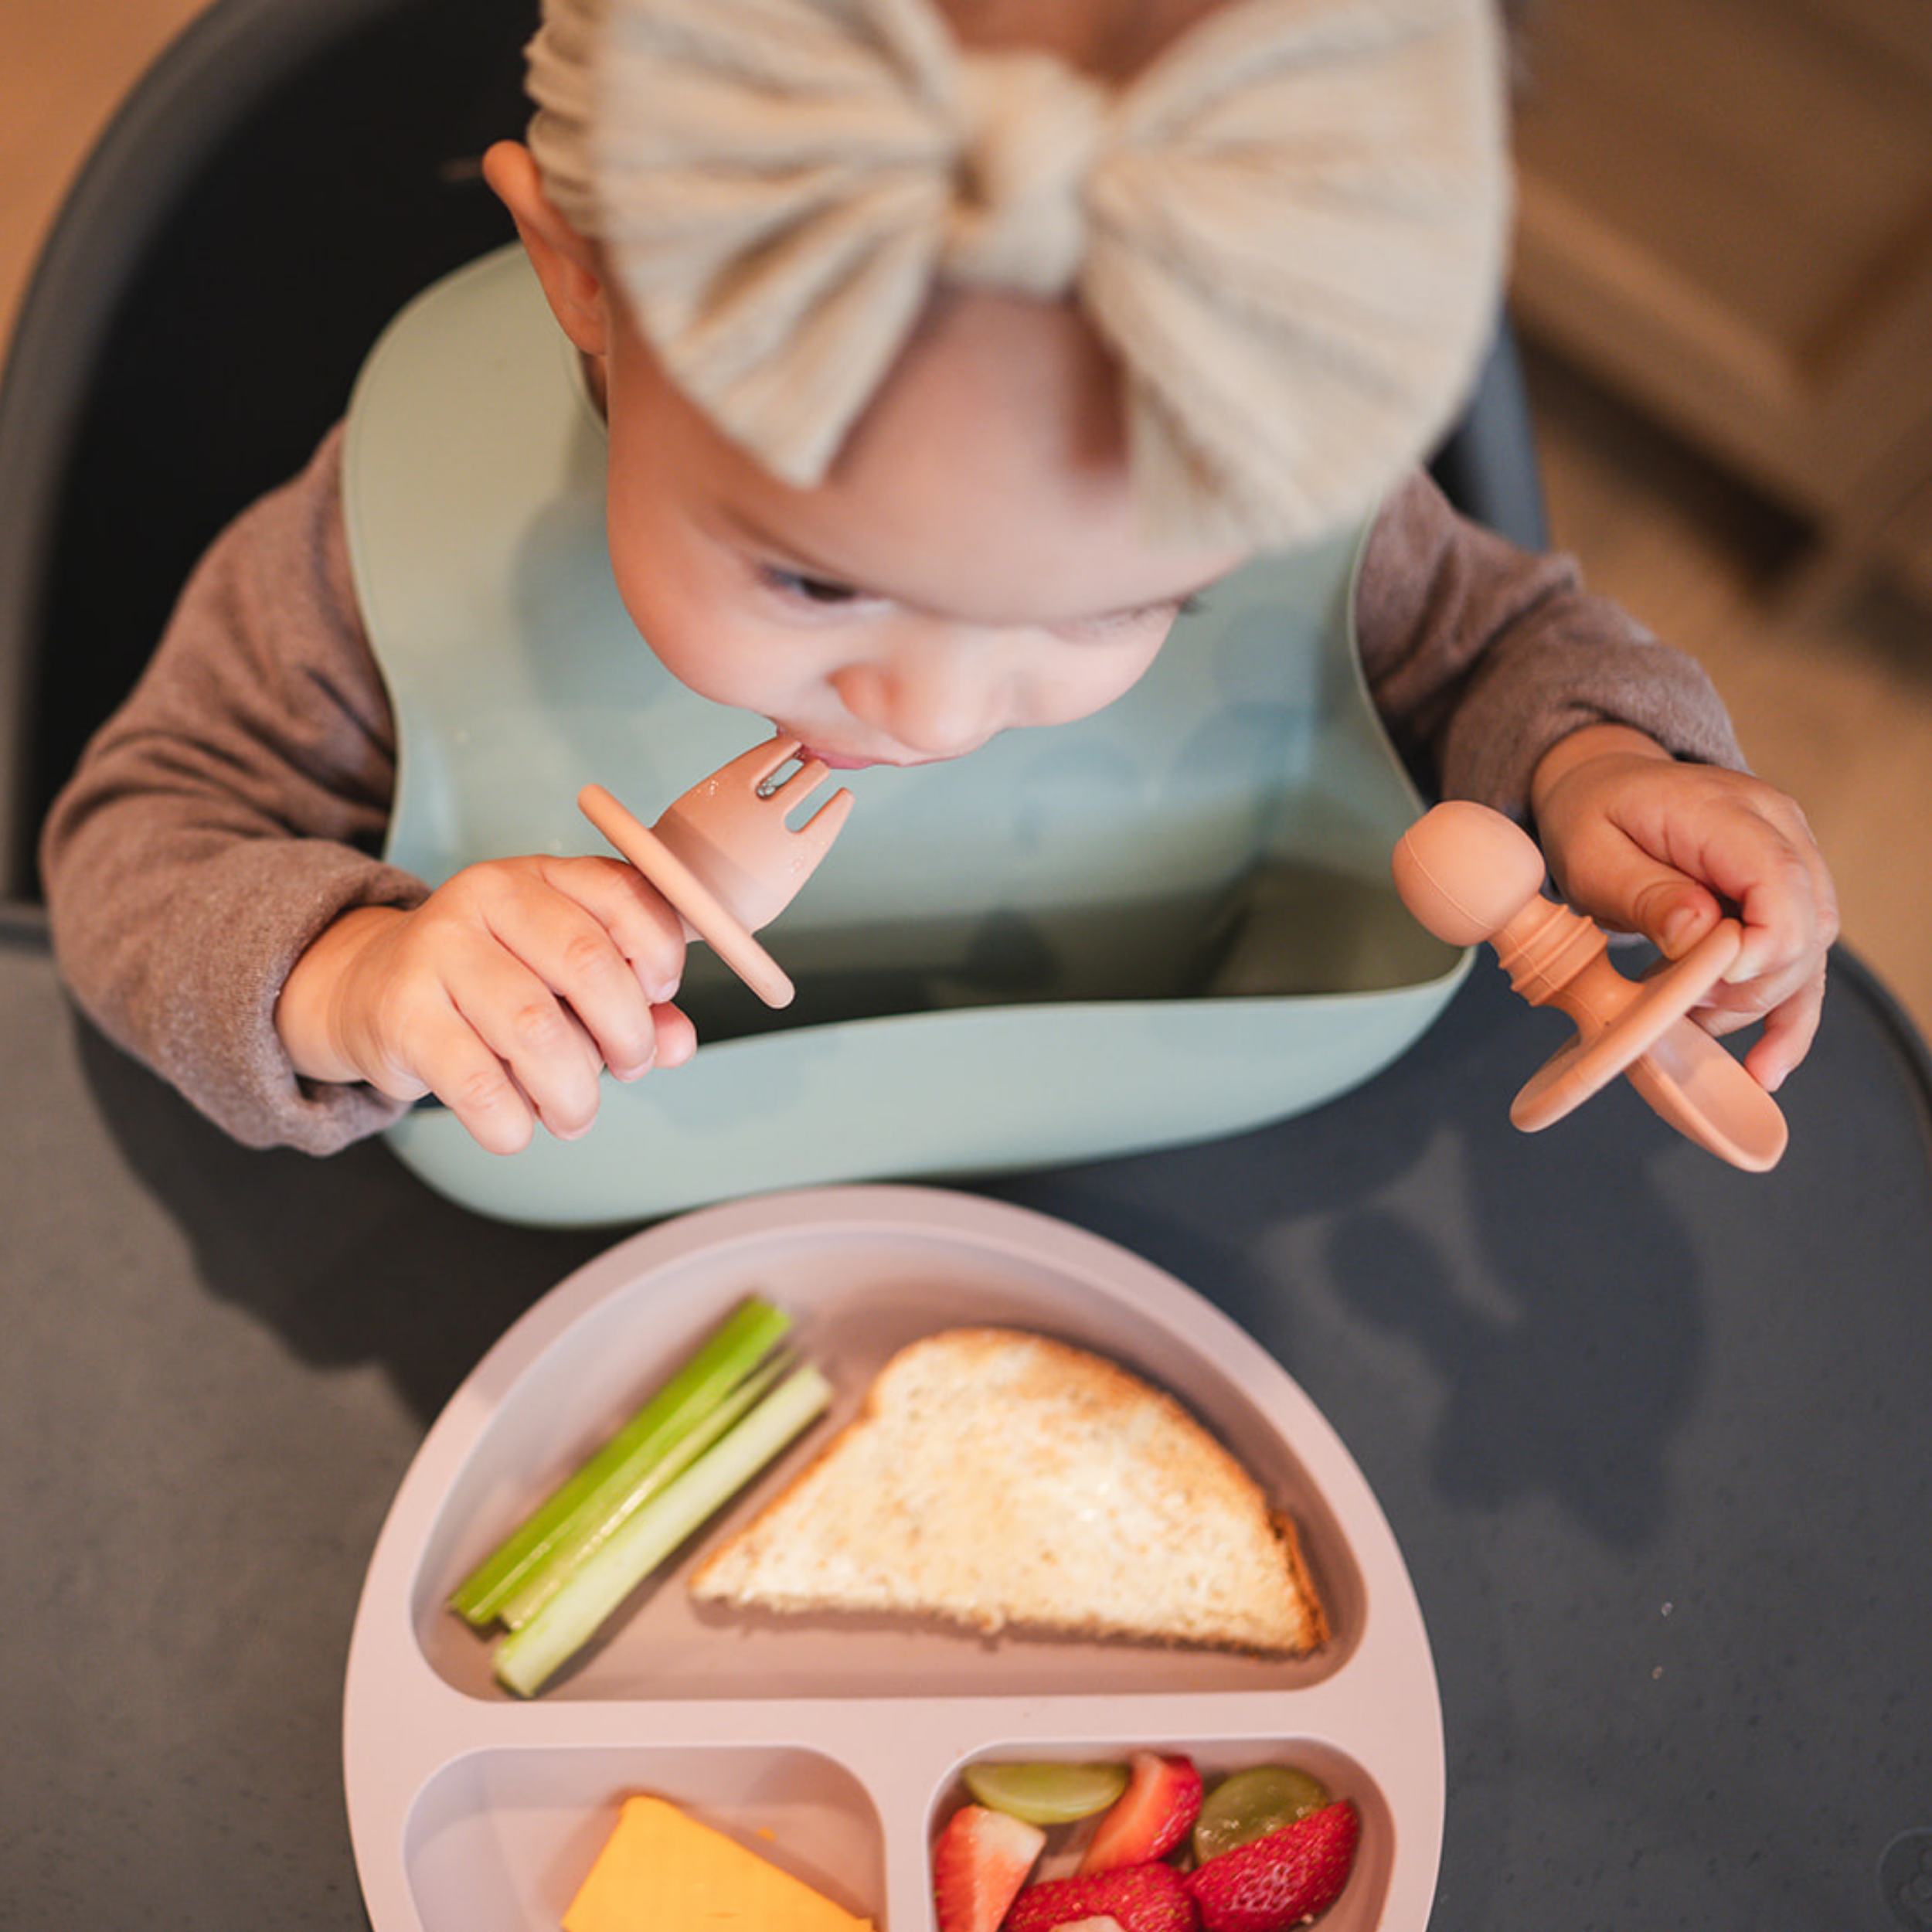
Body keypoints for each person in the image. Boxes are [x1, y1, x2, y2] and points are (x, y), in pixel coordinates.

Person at [40, 0, 1837, 1170]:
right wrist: (354, 982)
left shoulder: (1256, 464)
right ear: (579, 279)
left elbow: (1493, 645)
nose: (942, 711)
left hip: (1153, 1182)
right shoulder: (402, 532)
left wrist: (1598, 770)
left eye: (1124, 607)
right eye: (815, 579)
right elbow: (133, 851)